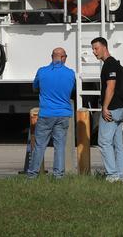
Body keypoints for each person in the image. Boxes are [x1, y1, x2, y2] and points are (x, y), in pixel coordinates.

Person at [26, 47, 75, 178]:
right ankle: (58, 175)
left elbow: (35, 87)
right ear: (64, 58)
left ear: (51, 56)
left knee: (40, 146)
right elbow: (72, 89)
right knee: (59, 146)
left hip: (46, 113)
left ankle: (32, 175)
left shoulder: (42, 72)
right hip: (63, 114)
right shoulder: (70, 73)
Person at [90, 37, 123, 182]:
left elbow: (110, 87)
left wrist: (104, 107)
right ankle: (120, 175)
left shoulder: (109, 64)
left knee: (104, 142)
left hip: (112, 109)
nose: (94, 52)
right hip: (120, 108)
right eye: (92, 49)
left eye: (96, 48)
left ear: (104, 47)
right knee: (118, 144)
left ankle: (112, 175)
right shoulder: (115, 63)